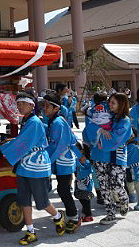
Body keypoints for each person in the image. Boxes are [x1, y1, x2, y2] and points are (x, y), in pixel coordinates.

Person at [0, 92, 66, 245]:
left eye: (23, 103)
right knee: (24, 200)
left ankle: (58, 216)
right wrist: (9, 142)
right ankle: (30, 231)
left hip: (37, 166)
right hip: (25, 166)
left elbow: (23, 142)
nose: (20, 106)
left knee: (42, 202)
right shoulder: (27, 120)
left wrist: (4, 147)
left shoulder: (34, 122)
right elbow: (23, 140)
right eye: (18, 103)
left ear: (32, 105)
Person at [83, 92, 133, 225]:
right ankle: (110, 214)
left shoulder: (125, 120)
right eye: (109, 102)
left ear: (121, 104)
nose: (109, 105)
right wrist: (100, 131)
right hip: (99, 156)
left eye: (113, 103)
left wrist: (101, 133)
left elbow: (116, 138)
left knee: (116, 185)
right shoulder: (103, 115)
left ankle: (123, 198)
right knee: (104, 186)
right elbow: (89, 127)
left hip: (117, 157)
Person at [42, 91, 80, 233]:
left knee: (63, 190)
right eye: (43, 106)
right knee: (62, 189)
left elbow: (62, 145)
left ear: (56, 108)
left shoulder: (58, 122)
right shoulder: (52, 121)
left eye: (47, 106)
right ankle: (70, 214)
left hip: (64, 162)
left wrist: (48, 161)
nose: (44, 109)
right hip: (59, 162)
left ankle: (75, 216)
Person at [126, 128, 139, 210]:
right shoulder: (126, 146)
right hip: (128, 169)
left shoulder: (133, 147)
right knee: (129, 184)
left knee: (138, 185)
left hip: (136, 169)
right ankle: (133, 197)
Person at [74, 143, 94, 223]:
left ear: (81, 151)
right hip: (81, 182)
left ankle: (88, 215)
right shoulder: (80, 159)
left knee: (85, 198)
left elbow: (87, 170)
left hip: (85, 183)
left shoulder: (84, 160)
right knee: (82, 198)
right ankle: (86, 212)